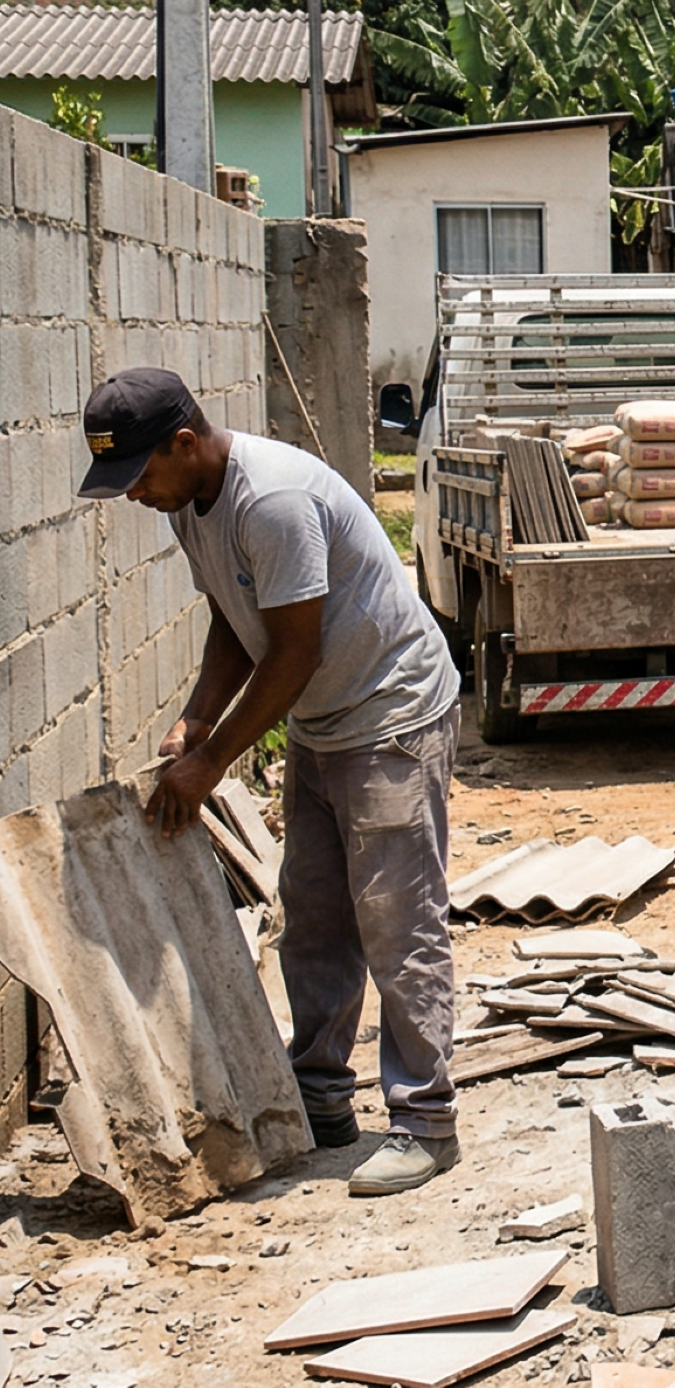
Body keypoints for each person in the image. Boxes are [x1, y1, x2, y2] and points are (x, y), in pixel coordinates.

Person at [78, 369, 466, 1195]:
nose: (135, 496)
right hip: (327, 717)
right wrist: (195, 717)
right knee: (317, 917)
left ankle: (427, 1121)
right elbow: (232, 614)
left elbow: (295, 651)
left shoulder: (273, 502)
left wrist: (211, 761)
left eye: (140, 475)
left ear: (184, 444)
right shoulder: (192, 502)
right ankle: (322, 1098)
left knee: (397, 919)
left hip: (390, 711)